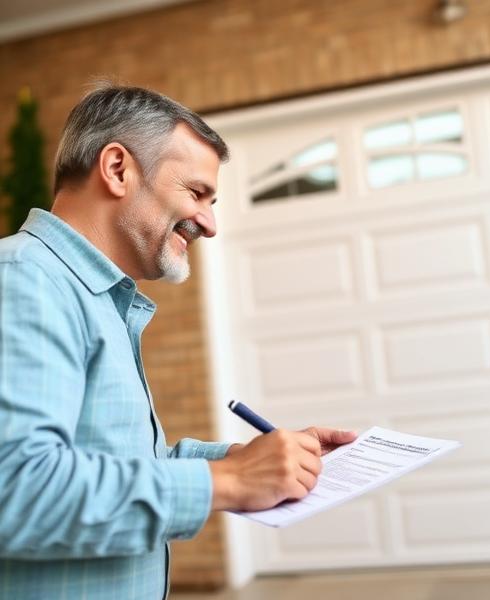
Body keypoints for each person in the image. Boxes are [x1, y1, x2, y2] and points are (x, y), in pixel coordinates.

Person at [0, 84, 357, 599]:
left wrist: (244, 458)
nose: (210, 224)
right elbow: (20, 490)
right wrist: (231, 481)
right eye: (196, 193)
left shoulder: (93, 298)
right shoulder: (25, 281)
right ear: (117, 169)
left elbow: (114, 464)